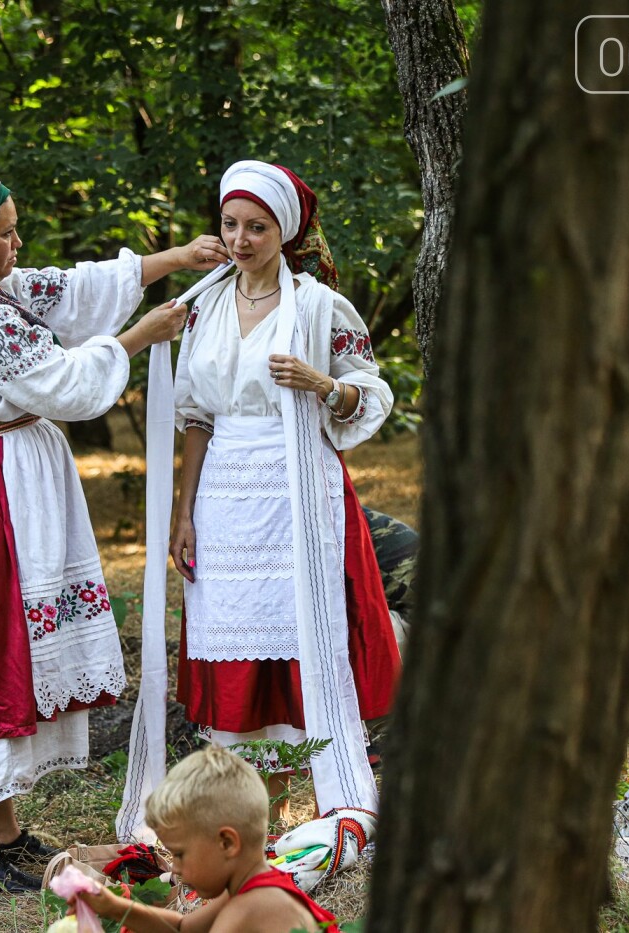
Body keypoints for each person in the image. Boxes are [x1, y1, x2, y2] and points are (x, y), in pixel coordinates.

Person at [0, 166, 227, 893]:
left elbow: (68, 291)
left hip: (1, 485)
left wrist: (175, 259)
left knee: (7, 652)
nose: (18, 242)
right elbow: (65, 382)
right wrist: (141, 336)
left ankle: (3, 833)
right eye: (5, 232)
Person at [168, 160, 400, 820]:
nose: (240, 240)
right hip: (225, 497)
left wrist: (324, 385)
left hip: (297, 485)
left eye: (257, 227)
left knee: (299, 640)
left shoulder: (321, 305)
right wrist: (183, 514)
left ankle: (321, 800)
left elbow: (373, 391)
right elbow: (195, 416)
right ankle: (250, 806)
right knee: (240, 649)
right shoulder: (204, 305)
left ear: (285, 231)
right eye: (230, 224)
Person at [72, 746, 338, 932]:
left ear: (227, 843)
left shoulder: (256, 906)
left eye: (179, 854)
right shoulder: (246, 893)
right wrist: (115, 907)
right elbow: (182, 928)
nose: (174, 867)